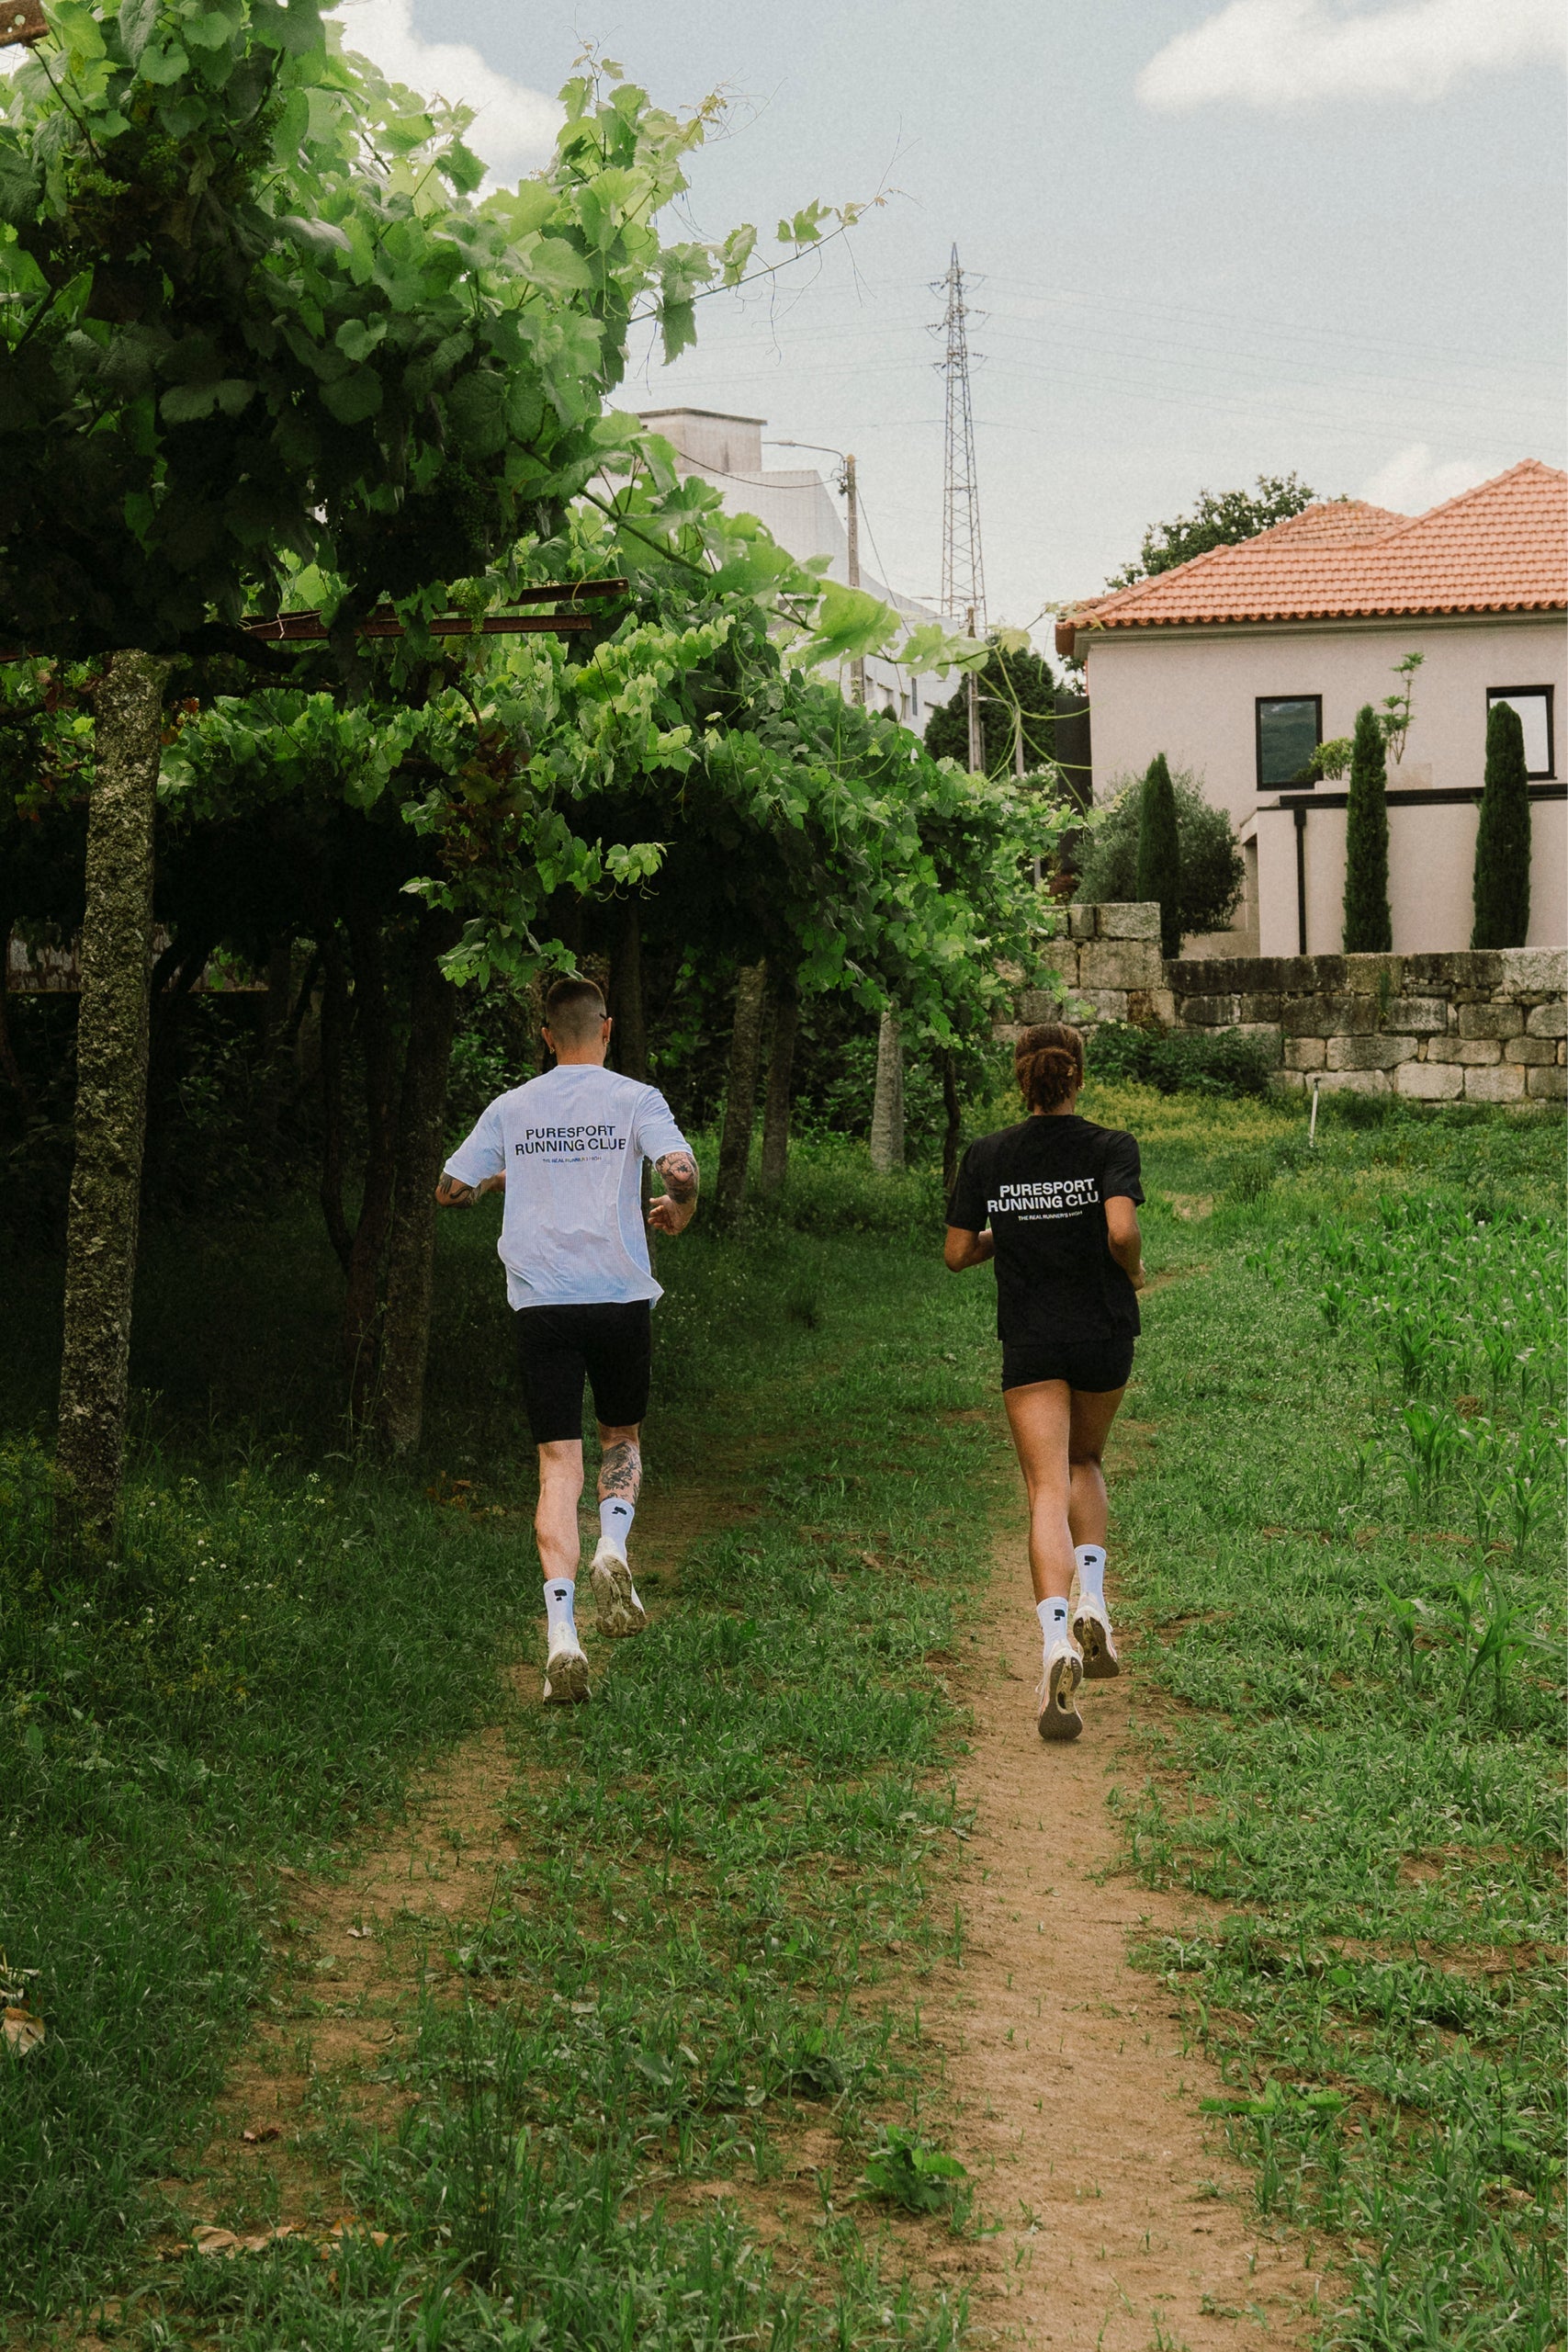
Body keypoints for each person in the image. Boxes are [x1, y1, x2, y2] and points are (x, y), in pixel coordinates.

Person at [435, 975, 699, 1705]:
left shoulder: (512, 1106)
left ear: (546, 1036)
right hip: (617, 1298)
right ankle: (613, 1546)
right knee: (622, 1438)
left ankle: (561, 1636)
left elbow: (448, 1190)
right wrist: (681, 1207)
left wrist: (495, 1181)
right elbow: (679, 1168)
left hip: (542, 1305)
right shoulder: (635, 1099)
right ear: (606, 1029)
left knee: (557, 1466)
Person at [943, 1021, 1145, 1743]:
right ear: (1077, 1077)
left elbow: (957, 1252)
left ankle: (1056, 1641)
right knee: (1085, 1460)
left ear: (1020, 1080)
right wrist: (1135, 1271)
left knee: (1043, 1491)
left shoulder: (989, 1155)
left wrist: (1013, 1231)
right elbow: (1120, 1232)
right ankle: (1092, 1596)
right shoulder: (1109, 1147)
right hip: (1100, 1331)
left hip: (1029, 1339)